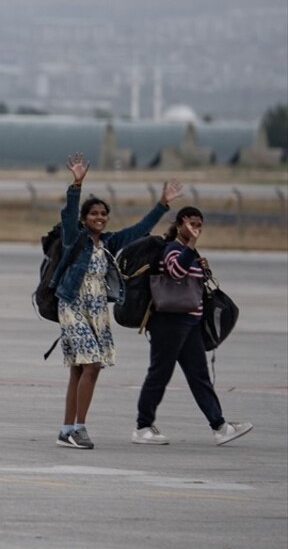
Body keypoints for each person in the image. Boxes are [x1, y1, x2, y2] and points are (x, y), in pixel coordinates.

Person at [50, 153, 180, 449]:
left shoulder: (108, 242)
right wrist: (77, 185)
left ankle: (66, 429)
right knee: (92, 365)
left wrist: (162, 204)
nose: (99, 218)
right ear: (85, 219)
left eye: (103, 214)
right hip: (72, 305)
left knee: (79, 369)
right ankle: (79, 429)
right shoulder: (75, 238)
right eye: (94, 214)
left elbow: (138, 231)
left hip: (97, 310)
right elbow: (68, 216)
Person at [133, 207, 253, 446]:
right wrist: (191, 247)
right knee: (159, 374)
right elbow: (176, 272)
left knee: (199, 376)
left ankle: (219, 426)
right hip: (169, 322)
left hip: (189, 322)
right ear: (179, 225)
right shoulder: (172, 249)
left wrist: (200, 265)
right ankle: (142, 427)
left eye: (199, 225)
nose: (195, 229)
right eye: (190, 224)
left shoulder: (190, 252)